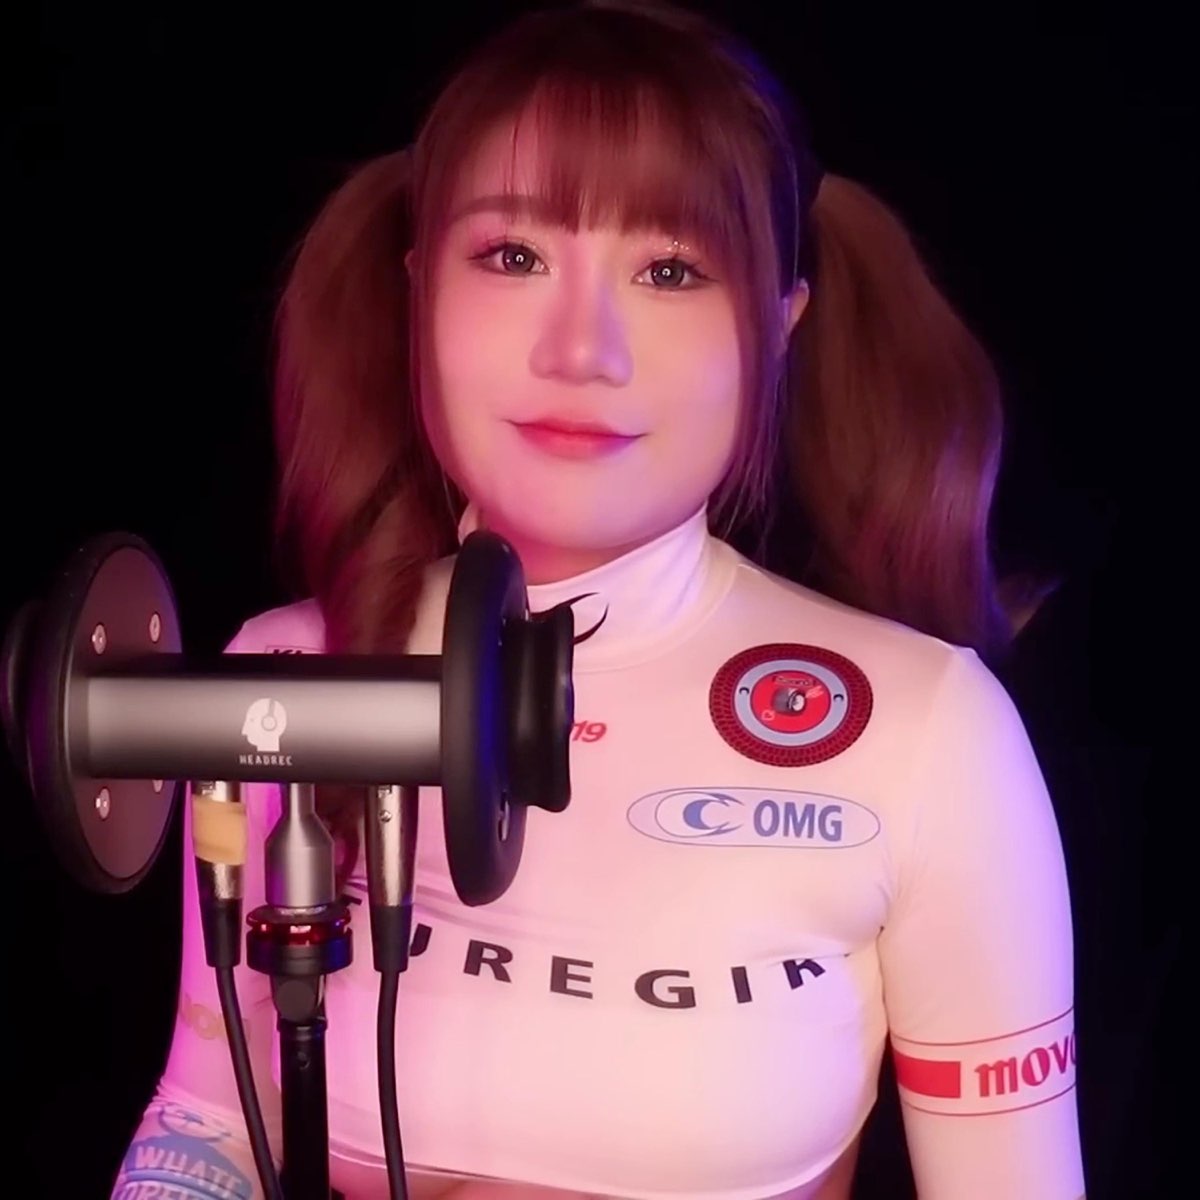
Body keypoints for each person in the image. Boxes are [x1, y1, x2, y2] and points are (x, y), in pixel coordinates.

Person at [111, 1, 1085, 1197]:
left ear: (779, 328)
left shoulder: (927, 734)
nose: (583, 350)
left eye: (670, 270)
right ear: (420, 291)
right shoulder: (277, 686)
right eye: (513, 257)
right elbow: (208, 1116)